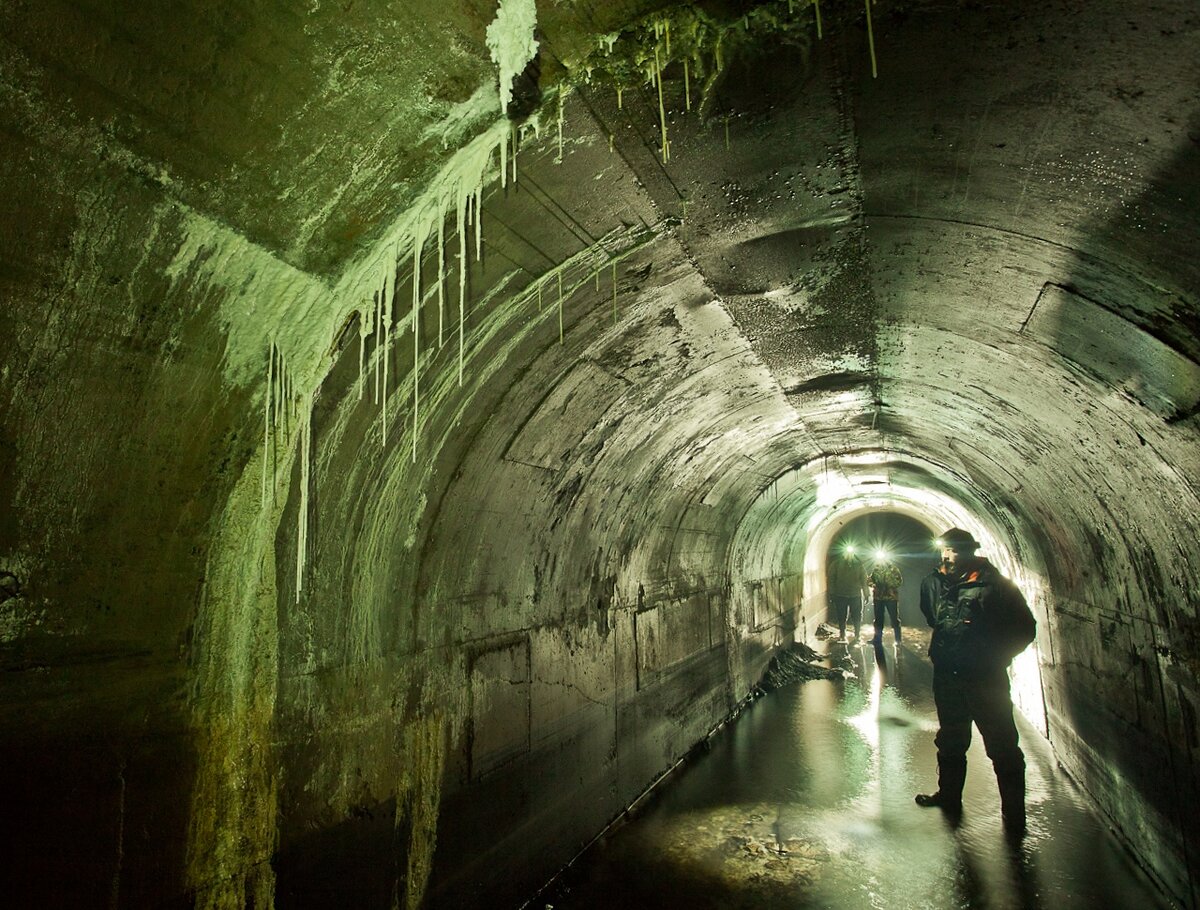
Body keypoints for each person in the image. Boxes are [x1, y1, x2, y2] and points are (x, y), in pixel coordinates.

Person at [915, 528, 1037, 834]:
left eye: (955, 550)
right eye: (945, 549)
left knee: (1002, 746)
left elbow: (1025, 628)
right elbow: (933, 618)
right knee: (951, 741)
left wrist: (994, 658)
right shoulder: (939, 583)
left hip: (985, 680)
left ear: (970, 552)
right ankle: (949, 798)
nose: (947, 555)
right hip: (948, 678)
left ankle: (1014, 815)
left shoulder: (994, 586)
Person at [827, 548, 868, 640]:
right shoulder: (836, 564)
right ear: (843, 554)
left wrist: (866, 594)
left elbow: (864, 580)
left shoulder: (858, 564)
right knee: (841, 615)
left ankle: (857, 634)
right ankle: (842, 633)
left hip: (855, 594)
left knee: (857, 615)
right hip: (841, 594)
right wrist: (832, 593)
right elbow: (831, 579)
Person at [868, 557, 903, 643]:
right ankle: (877, 639)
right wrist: (874, 585)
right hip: (879, 598)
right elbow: (869, 580)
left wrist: (889, 586)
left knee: (894, 619)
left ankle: (898, 640)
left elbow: (899, 581)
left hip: (891, 598)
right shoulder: (876, 569)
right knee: (878, 619)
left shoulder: (893, 569)